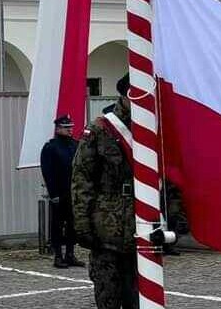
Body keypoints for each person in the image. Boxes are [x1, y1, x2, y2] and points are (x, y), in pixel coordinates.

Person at [73, 73, 182, 309]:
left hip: (143, 230)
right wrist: (83, 225)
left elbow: (168, 178)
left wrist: (174, 217)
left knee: (140, 300)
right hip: (107, 232)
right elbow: (82, 181)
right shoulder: (101, 130)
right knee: (108, 298)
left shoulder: (155, 133)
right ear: (125, 95)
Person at [40, 114, 83, 269]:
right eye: (66, 128)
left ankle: (70, 254)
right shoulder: (51, 147)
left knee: (73, 224)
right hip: (59, 192)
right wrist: (54, 194)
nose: (70, 130)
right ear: (58, 129)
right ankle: (58, 255)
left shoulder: (75, 145)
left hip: (74, 192)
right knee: (58, 225)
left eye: (71, 127)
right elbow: (48, 172)